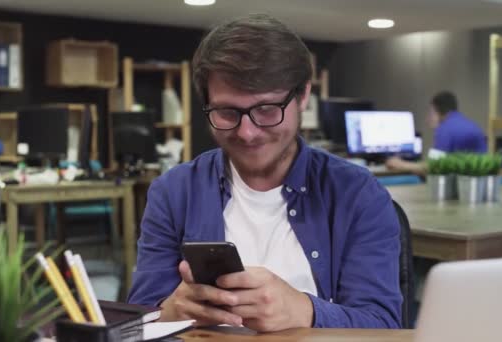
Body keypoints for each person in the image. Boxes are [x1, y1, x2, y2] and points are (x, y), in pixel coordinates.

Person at [127, 14, 402, 332]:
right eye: (227, 112)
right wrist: (172, 310)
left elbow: (384, 326)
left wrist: (304, 311)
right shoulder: (174, 192)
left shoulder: (358, 194)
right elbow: (137, 321)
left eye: (267, 110)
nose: (248, 133)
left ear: (302, 97)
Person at [386, 91, 487, 174]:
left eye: (431, 112)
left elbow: (432, 167)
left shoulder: (445, 129)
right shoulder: (472, 125)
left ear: (437, 110)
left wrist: (401, 164)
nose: (428, 118)